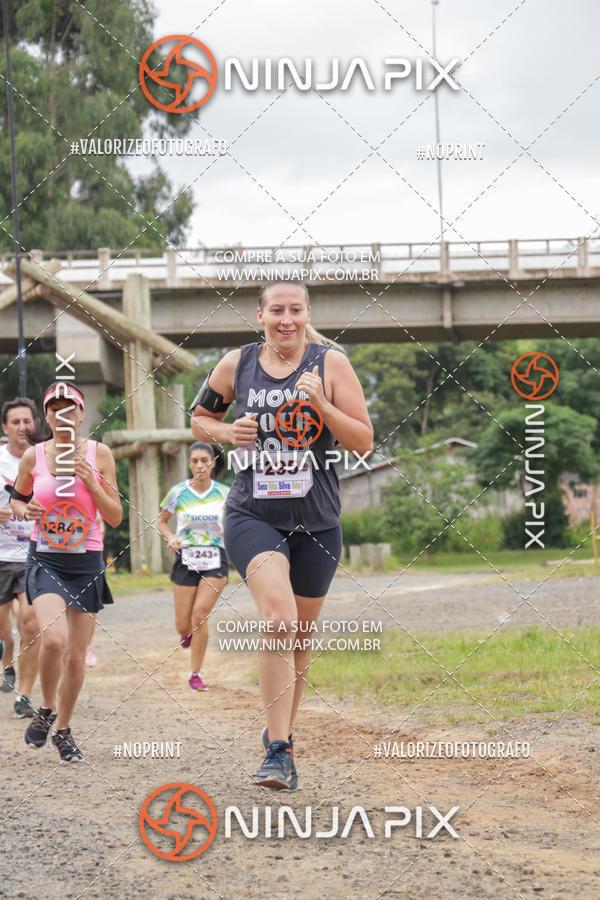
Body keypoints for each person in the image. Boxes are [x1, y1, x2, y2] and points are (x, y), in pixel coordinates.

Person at [190, 279, 373, 790]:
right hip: (253, 514)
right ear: (261, 314)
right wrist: (226, 433)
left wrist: (323, 407)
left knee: (299, 638)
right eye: (276, 310)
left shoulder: (330, 363)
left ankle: (283, 737)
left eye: (295, 310)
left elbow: (362, 440)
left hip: (317, 521)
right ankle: (277, 749)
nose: (286, 319)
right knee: (278, 618)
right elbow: (200, 416)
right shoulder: (237, 363)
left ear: (307, 313)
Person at [10, 382, 122, 763]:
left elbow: (115, 515)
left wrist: (92, 481)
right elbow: (17, 498)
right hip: (46, 558)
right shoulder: (34, 457)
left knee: (76, 655)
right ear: (47, 416)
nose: (62, 416)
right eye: (53, 409)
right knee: (53, 640)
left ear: (80, 413)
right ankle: (45, 708)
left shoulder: (100, 454)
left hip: (86, 560)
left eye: (68, 408)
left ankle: (64, 729)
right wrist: (24, 512)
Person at [157, 442, 229, 691]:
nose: (200, 465)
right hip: (186, 559)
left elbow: (238, 521)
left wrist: (228, 530)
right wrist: (171, 538)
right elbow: (162, 522)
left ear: (213, 463)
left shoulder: (225, 493)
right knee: (183, 624)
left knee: (200, 615)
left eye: (204, 460)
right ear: (189, 464)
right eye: (195, 461)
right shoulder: (178, 491)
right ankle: (185, 633)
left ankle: (195, 673)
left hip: (215, 560)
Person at [0, 398, 40, 718]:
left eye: (27, 421)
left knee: (30, 622)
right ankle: (7, 664)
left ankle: (24, 695)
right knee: (3, 630)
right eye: (15, 422)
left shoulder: (45, 459)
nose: (22, 428)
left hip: (32, 554)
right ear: (5, 428)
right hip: (0, 556)